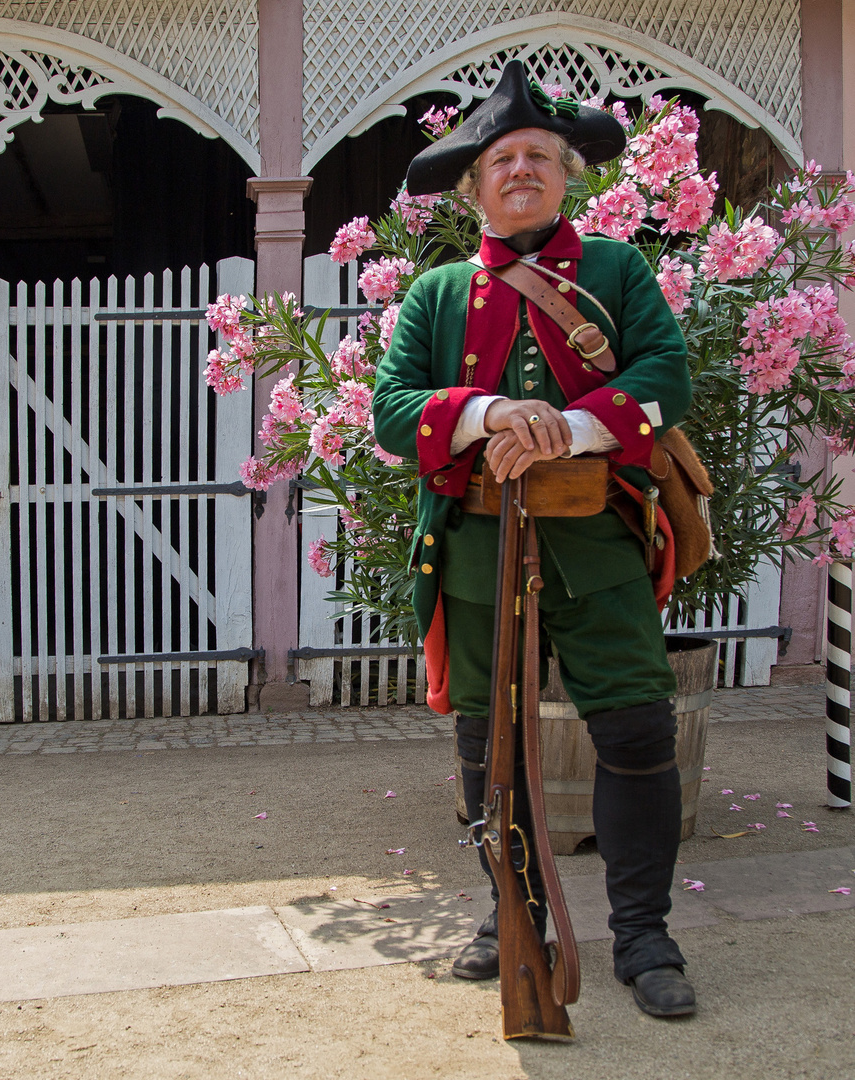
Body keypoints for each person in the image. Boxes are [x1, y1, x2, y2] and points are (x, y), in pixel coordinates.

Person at [371, 61, 697, 1018]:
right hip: (475, 553)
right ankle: (510, 915)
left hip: (593, 543)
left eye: (539, 158)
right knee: (489, 743)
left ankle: (642, 936)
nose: (520, 171)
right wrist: (483, 412)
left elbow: (665, 376)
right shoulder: (435, 295)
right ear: (473, 185)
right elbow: (393, 414)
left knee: (635, 728)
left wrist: (574, 426)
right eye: (502, 159)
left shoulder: (615, 271)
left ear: (567, 176)